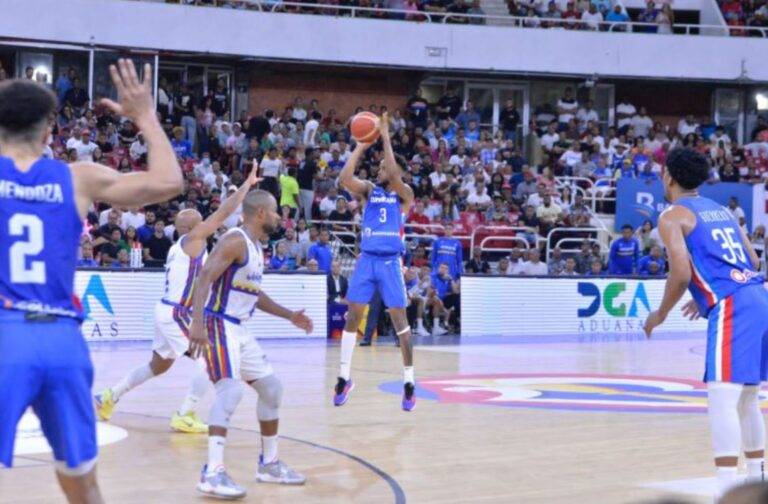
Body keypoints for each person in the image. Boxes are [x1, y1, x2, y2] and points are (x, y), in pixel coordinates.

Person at [0, 60, 183, 504]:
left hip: (5, 335)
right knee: (81, 480)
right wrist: (144, 116)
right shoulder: (77, 177)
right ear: (48, 131)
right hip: (62, 339)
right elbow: (169, 181)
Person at [94, 168, 261, 433]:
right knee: (210, 357)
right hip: (178, 312)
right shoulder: (193, 240)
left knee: (158, 365)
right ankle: (185, 413)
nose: (207, 222)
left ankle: (108, 397)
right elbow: (223, 213)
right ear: (194, 227)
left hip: (166, 310)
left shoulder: (180, 247)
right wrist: (245, 186)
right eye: (202, 221)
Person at [644, 147, 768, 501]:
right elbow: (753, 257)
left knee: (722, 399)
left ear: (668, 176)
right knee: (747, 398)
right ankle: (757, 479)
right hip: (758, 297)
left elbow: (680, 273)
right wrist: (707, 295)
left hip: (734, 305)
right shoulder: (722, 211)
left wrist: (660, 314)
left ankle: (728, 490)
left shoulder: (672, 215)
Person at [188, 190, 313, 498]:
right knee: (229, 392)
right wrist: (197, 322)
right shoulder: (235, 241)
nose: (279, 218)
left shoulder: (256, 248)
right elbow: (203, 277)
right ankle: (212, 473)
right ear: (260, 214)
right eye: (275, 212)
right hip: (218, 323)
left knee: (271, 389)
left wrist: (289, 315)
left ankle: (269, 464)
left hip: (240, 329)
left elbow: (254, 294)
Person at [335, 113, 416, 411]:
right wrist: (359, 146)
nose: (381, 169)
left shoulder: (405, 195)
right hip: (367, 261)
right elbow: (344, 179)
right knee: (352, 317)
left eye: (385, 167)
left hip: (391, 263)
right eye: (379, 166)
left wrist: (384, 135)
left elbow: (395, 172)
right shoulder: (369, 190)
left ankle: (409, 382)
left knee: (400, 323)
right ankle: (344, 377)